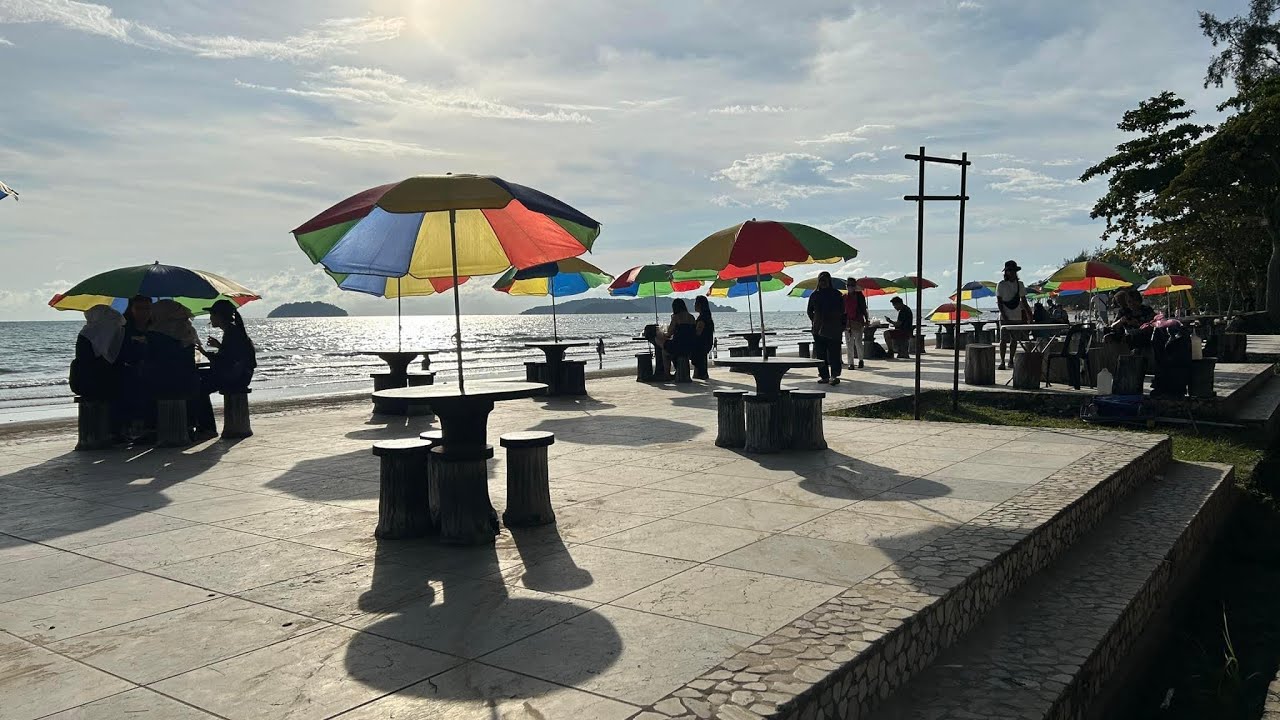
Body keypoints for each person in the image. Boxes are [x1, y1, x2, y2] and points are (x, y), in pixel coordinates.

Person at [146, 300, 209, 440]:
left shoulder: (157, 333)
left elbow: (153, 359)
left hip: (165, 383)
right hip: (188, 381)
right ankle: (192, 426)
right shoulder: (186, 329)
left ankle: (150, 429)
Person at [69, 305, 125, 401]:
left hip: (85, 383)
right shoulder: (118, 331)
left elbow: (82, 358)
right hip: (111, 382)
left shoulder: (87, 333)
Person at [204, 299, 257, 393]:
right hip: (243, 376)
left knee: (197, 385)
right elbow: (233, 353)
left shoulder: (231, 332)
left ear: (219, 316)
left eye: (212, 315)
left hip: (237, 378)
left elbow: (227, 358)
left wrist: (204, 352)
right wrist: (219, 346)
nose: (210, 318)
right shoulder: (233, 330)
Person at [806, 272, 844, 385]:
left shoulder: (837, 294)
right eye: (821, 280)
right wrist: (815, 321)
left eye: (825, 280)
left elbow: (843, 312)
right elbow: (809, 311)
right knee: (821, 354)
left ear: (829, 281)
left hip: (833, 328)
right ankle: (825, 376)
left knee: (834, 354)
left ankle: (834, 376)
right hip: (819, 329)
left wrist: (842, 325)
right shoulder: (815, 295)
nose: (823, 282)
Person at [996, 260, 1032, 370]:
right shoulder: (1001, 284)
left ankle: (1011, 360)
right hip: (1004, 316)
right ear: (1006, 272)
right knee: (1003, 340)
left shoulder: (1019, 284)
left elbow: (1024, 301)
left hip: (1016, 316)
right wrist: (1004, 315)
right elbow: (1000, 302)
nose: (1011, 273)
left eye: (1013, 270)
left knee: (1014, 340)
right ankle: (1002, 361)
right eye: (1009, 271)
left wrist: (1029, 314)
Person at [660, 298, 697, 374]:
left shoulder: (676, 317)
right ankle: (678, 370)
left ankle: (666, 374)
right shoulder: (692, 317)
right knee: (671, 347)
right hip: (690, 347)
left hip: (678, 346)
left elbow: (669, 333)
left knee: (664, 350)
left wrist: (663, 334)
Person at [843, 279, 869, 369]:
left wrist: (866, 319)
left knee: (858, 342)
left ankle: (860, 360)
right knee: (849, 343)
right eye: (848, 285)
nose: (850, 287)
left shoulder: (859, 296)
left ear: (855, 286)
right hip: (848, 323)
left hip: (858, 322)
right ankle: (851, 363)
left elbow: (863, 309)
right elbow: (843, 311)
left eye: (851, 285)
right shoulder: (844, 297)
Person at [692, 296, 715, 380]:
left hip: (701, 344)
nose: (694, 305)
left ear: (700, 305)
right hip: (707, 343)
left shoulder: (702, 319)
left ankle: (700, 374)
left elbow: (698, 333)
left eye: (695, 303)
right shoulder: (707, 317)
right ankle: (701, 373)